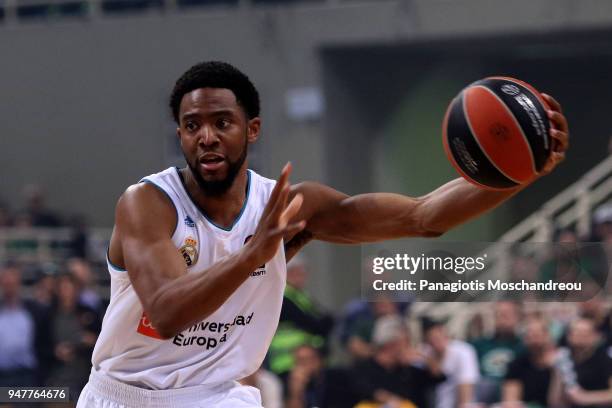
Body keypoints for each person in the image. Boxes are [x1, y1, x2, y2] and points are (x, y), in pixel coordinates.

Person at [77, 61, 569, 407]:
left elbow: (424, 217)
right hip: (125, 396)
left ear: (252, 130)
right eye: (191, 125)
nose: (205, 135)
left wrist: (523, 172)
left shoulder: (292, 206)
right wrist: (256, 252)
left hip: (218, 396)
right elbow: (166, 313)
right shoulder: (147, 203)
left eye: (221, 122)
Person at [549, 318, 612, 408]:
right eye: (576, 332)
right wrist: (557, 374)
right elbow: (555, 403)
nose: (580, 336)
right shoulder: (564, 359)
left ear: (595, 337)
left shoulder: (605, 360)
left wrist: (585, 397)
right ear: (569, 336)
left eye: (585, 333)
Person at [471, 301, 524, 403]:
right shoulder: (479, 345)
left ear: (517, 317)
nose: (502, 319)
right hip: (483, 397)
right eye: (498, 314)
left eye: (507, 314)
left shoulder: (523, 346)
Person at [423, 319, 480, 408]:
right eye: (432, 339)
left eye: (438, 337)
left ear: (446, 335)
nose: (436, 342)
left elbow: (466, 385)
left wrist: (464, 405)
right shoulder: (424, 353)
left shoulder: (463, 351)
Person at [501, 317, 556, 408]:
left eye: (538, 335)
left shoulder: (561, 364)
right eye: (530, 336)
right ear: (525, 339)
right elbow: (510, 401)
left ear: (548, 336)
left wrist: (556, 370)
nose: (535, 341)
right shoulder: (516, 364)